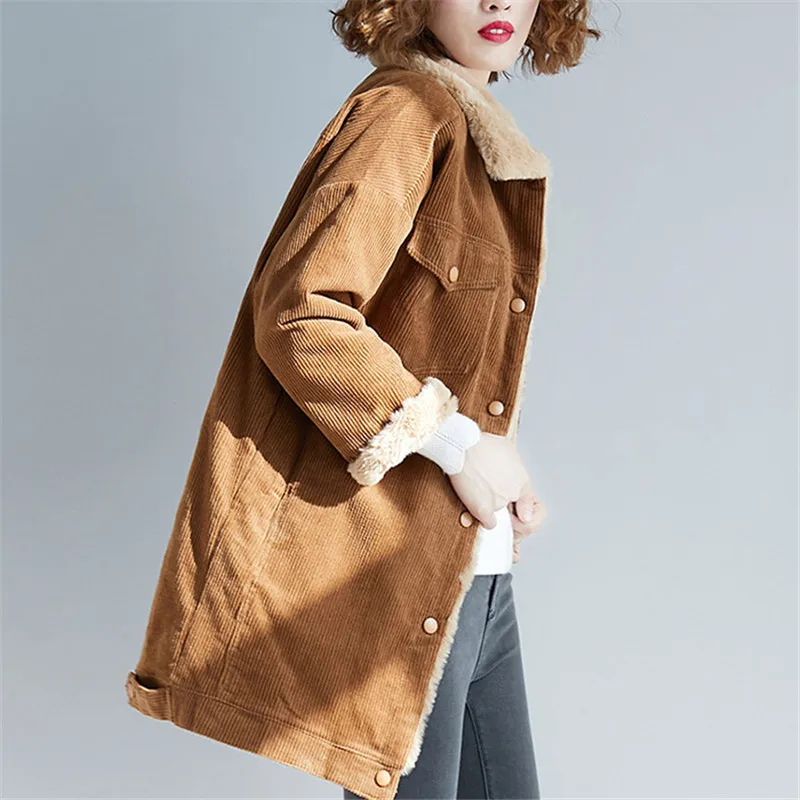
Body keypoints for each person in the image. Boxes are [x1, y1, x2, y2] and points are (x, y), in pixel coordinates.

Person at [125, 1, 600, 798]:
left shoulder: (475, 135)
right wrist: (457, 445)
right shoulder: (404, 115)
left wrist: (496, 471)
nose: (497, 2)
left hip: (472, 581)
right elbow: (301, 313)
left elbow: (436, 350)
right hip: (395, 583)